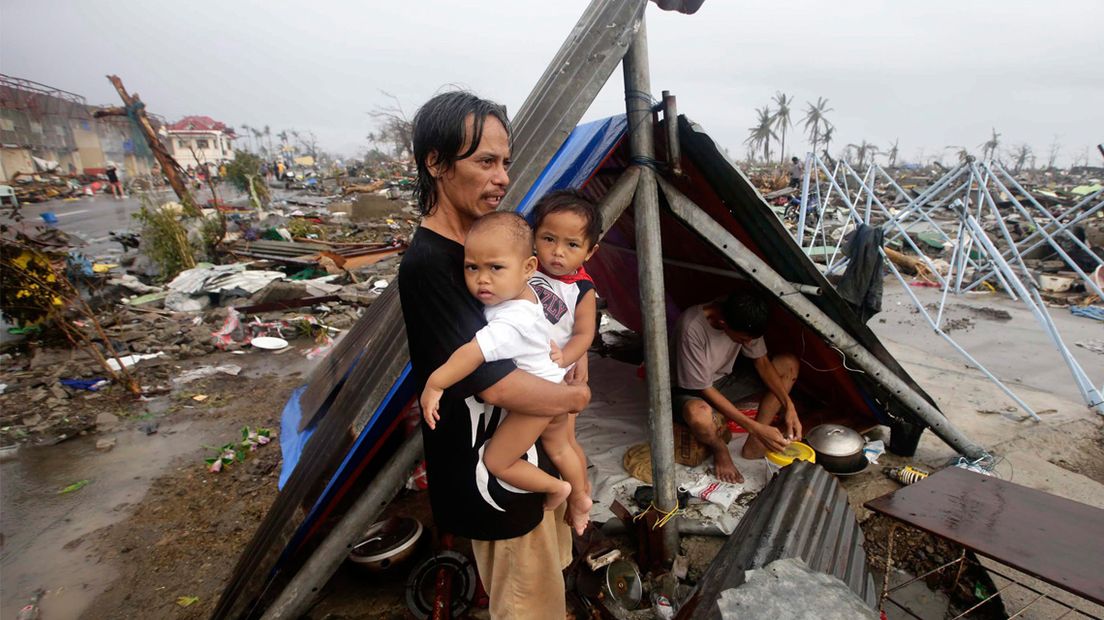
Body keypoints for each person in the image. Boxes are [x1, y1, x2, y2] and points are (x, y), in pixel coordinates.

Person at [397, 90, 587, 620]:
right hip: (492, 481)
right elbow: (496, 384)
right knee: (528, 607)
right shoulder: (432, 266)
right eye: (485, 161)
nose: (502, 176)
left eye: (505, 162)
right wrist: (572, 395)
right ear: (435, 163)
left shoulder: (486, 248)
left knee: (548, 587)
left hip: (528, 456)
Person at [420, 212, 592, 535]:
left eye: (495, 268)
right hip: (552, 388)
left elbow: (472, 352)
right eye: (473, 267)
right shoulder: (521, 295)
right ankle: (582, 497)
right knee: (561, 447)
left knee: (497, 461)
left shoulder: (511, 320)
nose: (482, 279)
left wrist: (435, 382)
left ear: (529, 268)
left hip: (537, 399)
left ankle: (557, 488)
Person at [671, 290, 802, 483]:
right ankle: (719, 448)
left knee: (788, 364)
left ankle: (755, 444)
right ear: (723, 324)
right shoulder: (691, 327)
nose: (748, 343)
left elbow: (762, 362)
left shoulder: (743, 314)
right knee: (699, 414)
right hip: (689, 389)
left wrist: (789, 406)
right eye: (742, 340)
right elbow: (703, 388)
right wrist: (753, 427)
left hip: (723, 380)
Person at [527, 189, 602, 495]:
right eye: (549, 239)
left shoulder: (582, 289)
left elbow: (585, 333)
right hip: (531, 370)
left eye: (571, 245)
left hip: (559, 373)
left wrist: (568, 356)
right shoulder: (526, 268)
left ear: (589, 252)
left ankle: (580, 492)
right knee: (552, 438)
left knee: (562, 440)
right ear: (534, 237)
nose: (558, 252)